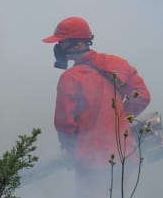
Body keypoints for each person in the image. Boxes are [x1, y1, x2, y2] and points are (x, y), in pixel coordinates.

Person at [43, 16, 151, 187]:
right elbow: (142, 95)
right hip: (125, 156)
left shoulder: (70, 78)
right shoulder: (118, 63)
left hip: (92, 162)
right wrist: (120, 117)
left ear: (78, 44)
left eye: (62, 43)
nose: (58, 48)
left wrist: (71, 148)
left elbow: (65, 123)